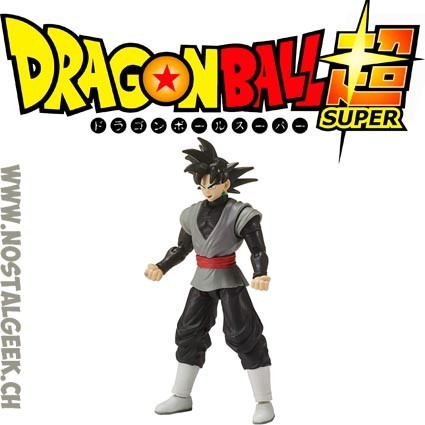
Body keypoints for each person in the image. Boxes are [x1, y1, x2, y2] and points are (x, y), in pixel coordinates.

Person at [145, 138, 274, 424]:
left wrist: (260, 272)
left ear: (225, 183)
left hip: (229, 279)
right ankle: (181, 395)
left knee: (243, 334)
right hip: (201, 280)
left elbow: (258, 249)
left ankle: (264, 400)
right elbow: (181, 248)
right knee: (188, 332)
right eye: (202, 186)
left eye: (212, 185)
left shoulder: (241, 213)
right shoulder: (192, 213)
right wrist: (162, 266)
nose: (206, 191)